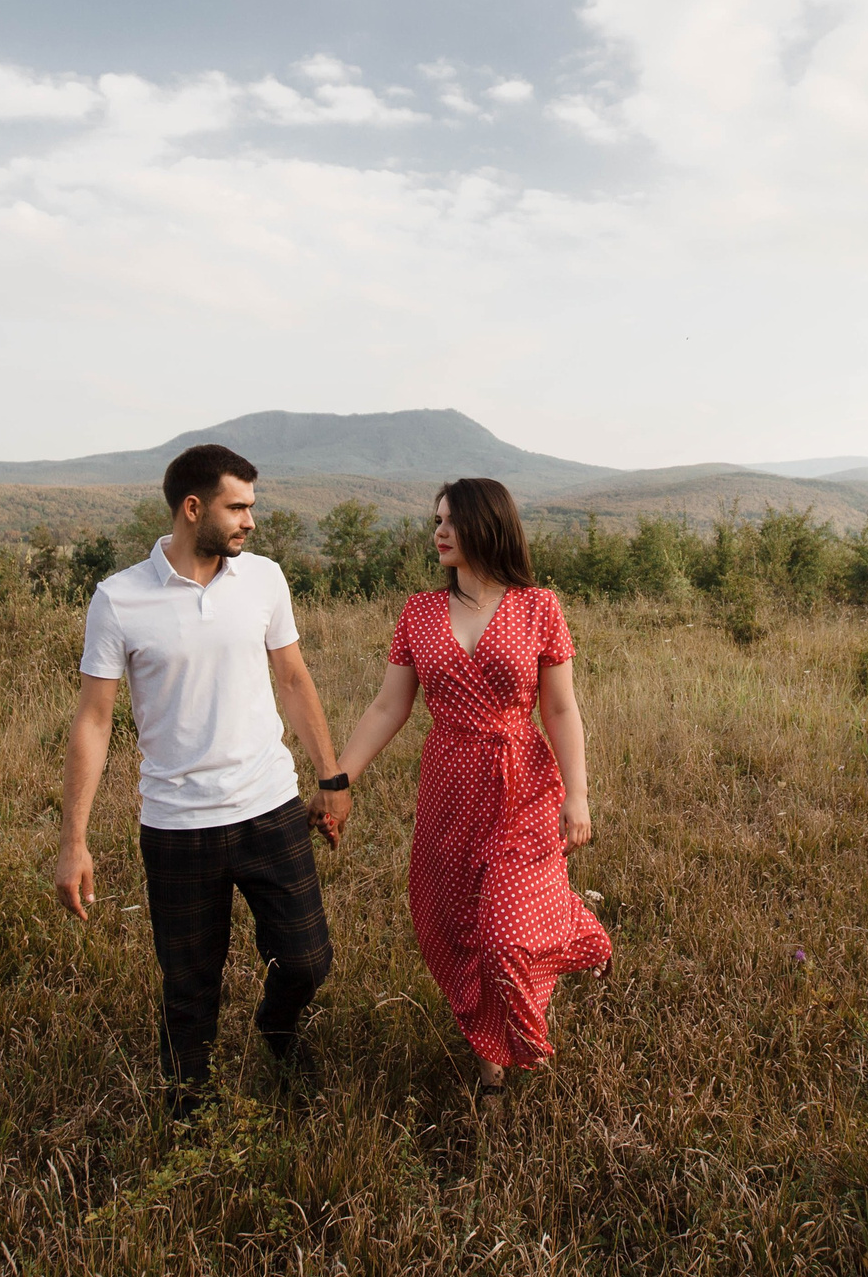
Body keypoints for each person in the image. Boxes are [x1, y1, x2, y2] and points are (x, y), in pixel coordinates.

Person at [54, 444, 352, 1115]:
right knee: (190, 988)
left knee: (307, 959)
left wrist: (329, 775)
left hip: (269, 806)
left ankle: (277, 1031)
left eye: (252, 505)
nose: (251, 519)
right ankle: (189, 1119)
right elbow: (94, 722)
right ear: (194, 508)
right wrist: (74, 839)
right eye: (238, 506)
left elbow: (294, 678)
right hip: (178, 826)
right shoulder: (120, 598)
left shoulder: (265, 579)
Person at [322, 476, 610, 1096]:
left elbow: (561, 710)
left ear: (488, 524)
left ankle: (558, 944)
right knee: (458, 931)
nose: (439, 533)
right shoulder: (419, 613)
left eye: (451, 520)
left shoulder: (540, 607)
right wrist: (339, 779)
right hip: (449, 787)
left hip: (525, 783)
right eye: (437, 521)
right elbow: (387, 708)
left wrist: (578, 795)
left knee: (507, 934)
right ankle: (490, 1069)